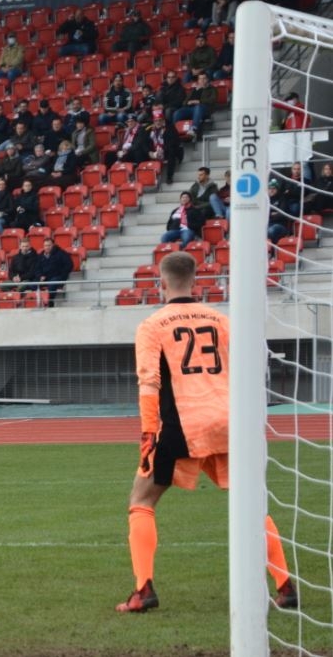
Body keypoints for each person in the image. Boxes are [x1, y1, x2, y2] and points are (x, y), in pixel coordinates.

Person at [118, 251, 299, 613]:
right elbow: (246, 370)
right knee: (252, 504)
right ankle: (285, 585)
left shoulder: (152, 325)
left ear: (162, 282)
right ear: (197, 281)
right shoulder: (221, 319)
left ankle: (143, 590)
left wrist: (148, 432)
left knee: (141, 501)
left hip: (181, 425)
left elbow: (149, 382)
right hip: (229, 422)